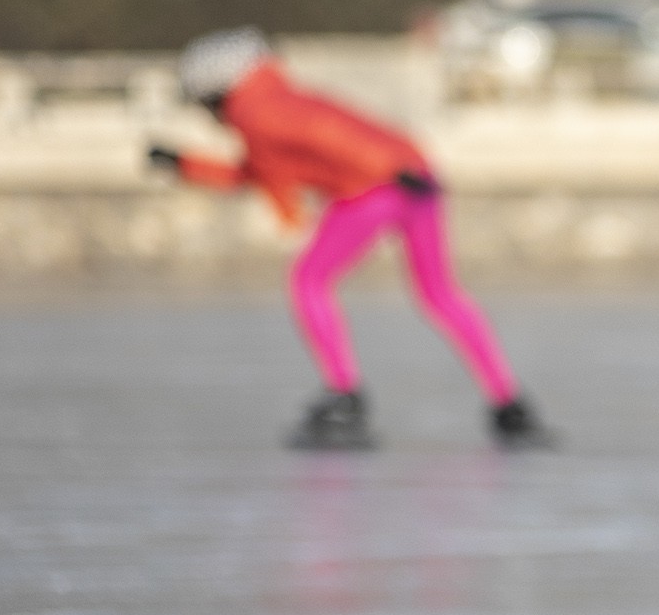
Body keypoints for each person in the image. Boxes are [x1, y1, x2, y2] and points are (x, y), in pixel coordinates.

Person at [149, 28, 551, 450]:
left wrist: (387, 168)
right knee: (439, 294)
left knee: (309, 281)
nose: (206, 115)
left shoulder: (255, 112)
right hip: (417, 176)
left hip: (375, 187)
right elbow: (269, 167)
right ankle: (509, 402)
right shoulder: (277, 97)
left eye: (204, 104)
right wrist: (185, 165)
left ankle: (345, 396)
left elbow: (324, 136)